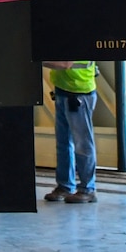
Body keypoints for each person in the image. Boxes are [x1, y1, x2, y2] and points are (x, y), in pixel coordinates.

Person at [42, 60, 98, 204]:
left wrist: (33, 60)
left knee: (83, 143)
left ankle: (87, 189)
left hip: (79, 91)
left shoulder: (80, 39)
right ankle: (65, 186)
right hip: (64, 90)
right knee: (63, 143)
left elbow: (65, 64)